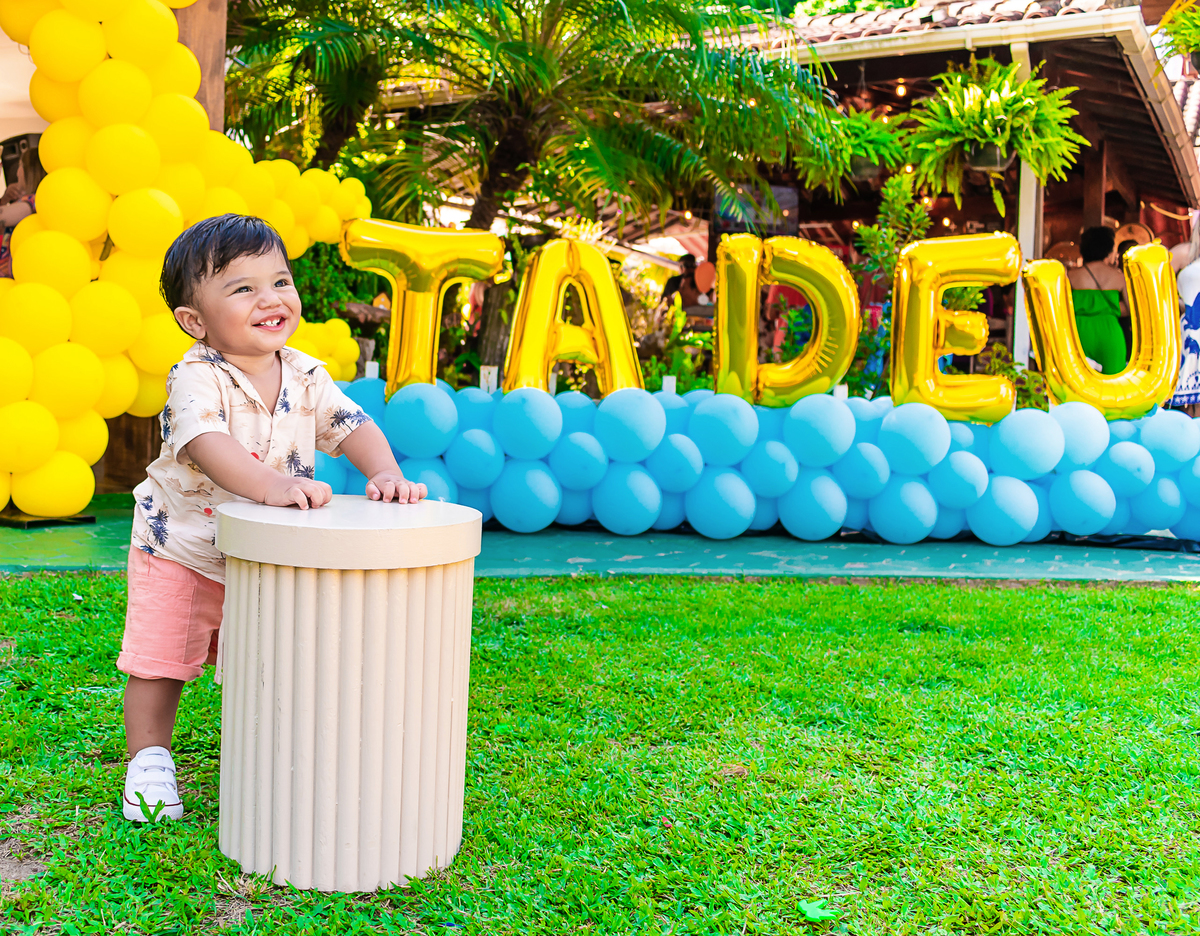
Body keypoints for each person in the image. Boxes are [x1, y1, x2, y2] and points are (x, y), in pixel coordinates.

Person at [118, 214, 427, 823]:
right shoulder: (196, 376)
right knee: (161, 660)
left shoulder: (307, 374)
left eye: (280, 281)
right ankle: (148, 761)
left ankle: (270, 753)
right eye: (243, 288)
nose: (271, 299)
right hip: (181, 548)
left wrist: (384, 471)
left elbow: (352, 425)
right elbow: (207, 444)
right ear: (195, 321)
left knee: (270, 657)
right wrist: (274, 485)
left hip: (265, 556)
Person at [1067, 226, 1127, 374]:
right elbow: (1131, 308)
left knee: (1079, 381)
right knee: (1113, 382)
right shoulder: (1118, 277)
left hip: (1079, 331)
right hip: (1110, 332)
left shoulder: (1071, 276)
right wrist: (1108, 309)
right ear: (1109, 250)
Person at [0, 147, 45, 277]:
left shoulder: (34, 201)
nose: (17, 173)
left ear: (29, 171)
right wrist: (4, 199)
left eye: (20, 165)